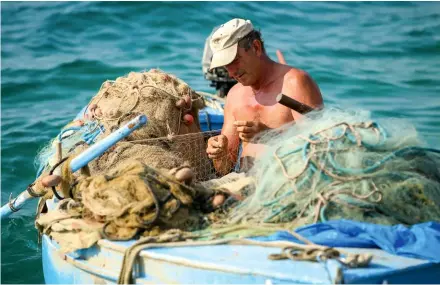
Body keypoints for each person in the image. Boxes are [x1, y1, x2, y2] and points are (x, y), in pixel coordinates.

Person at [206, 18, 323, 175]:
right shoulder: (234, 95)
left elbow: (318, 150)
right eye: (226, 65)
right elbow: (225, 168)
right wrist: (218, 153)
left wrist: (269, 135)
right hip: (244, 182)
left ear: (256, 47)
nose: (231, 72)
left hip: (288, 182)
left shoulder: (295, 83)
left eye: (234, 60)